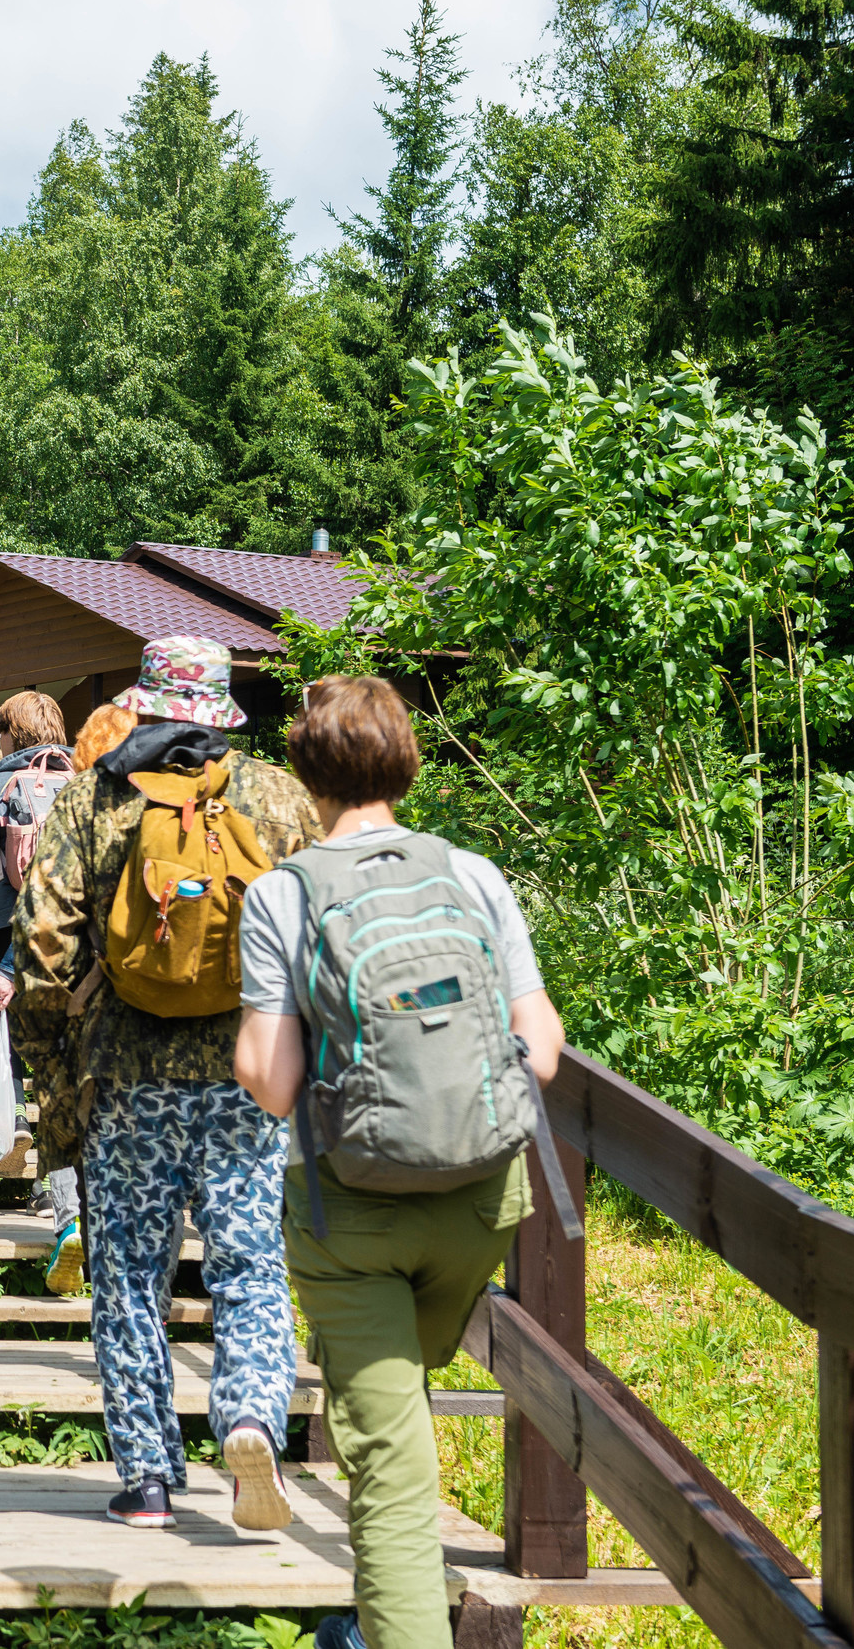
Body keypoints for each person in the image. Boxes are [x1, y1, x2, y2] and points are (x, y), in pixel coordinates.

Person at [232, 676, 564, 1649]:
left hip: (353, 1215)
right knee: (399, 1406)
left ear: (304, 772)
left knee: (390, 1467)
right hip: (480, 1200)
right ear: (405, 761)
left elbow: (271, 1077)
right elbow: (537, 1047)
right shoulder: (471, 873)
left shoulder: (282, 893)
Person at [11, 635, 322, 1534]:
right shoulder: (272, 797)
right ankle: (253, 1417)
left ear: (145, 702)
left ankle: (147, 1476)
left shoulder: (94, 793)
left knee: (127, 1274)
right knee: (251, 1265)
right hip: (249, 1077)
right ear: (223, 707)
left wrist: (54, 1071)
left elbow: (41, 947)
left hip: (125, 1076)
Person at [0, 691, 78, 1249]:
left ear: (13, 734)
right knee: (57, 1056)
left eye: (2, 732)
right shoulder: (85, 780)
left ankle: (19, 1124)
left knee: (4, 1042)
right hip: (65, 934)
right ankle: (56, 1188)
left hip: (0, 932)